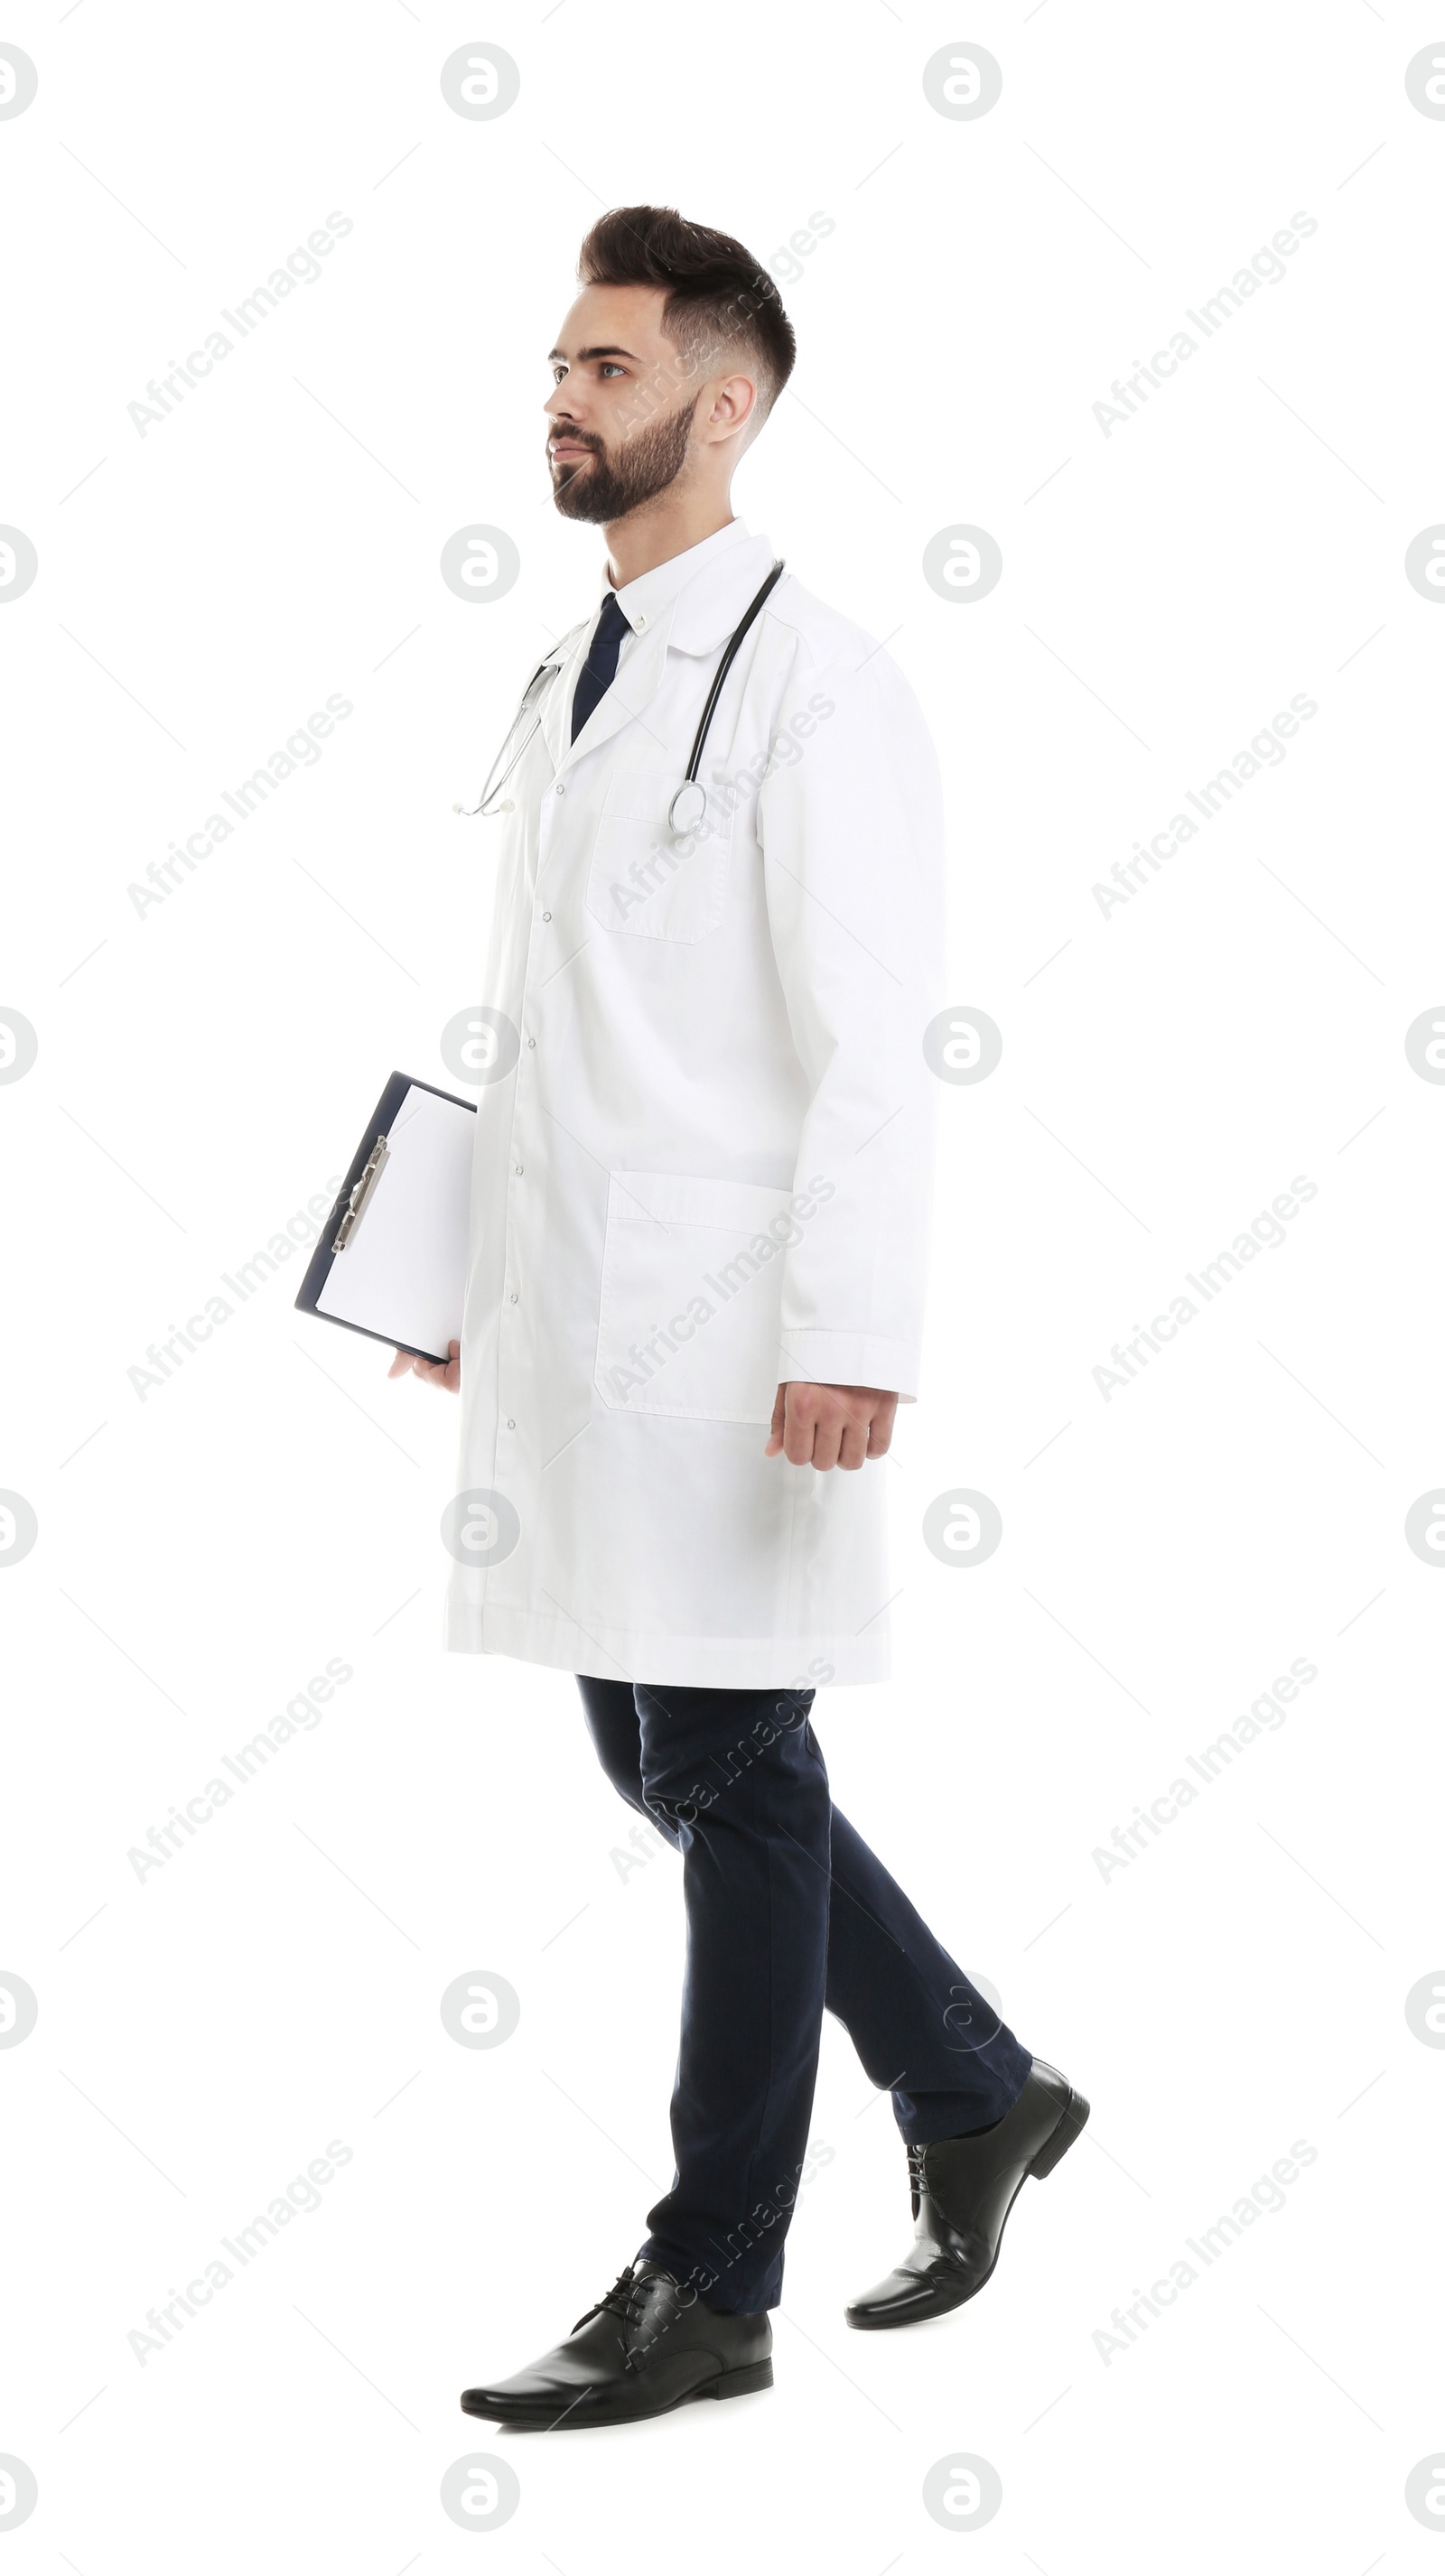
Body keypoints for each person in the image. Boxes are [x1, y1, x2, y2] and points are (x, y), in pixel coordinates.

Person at [390, 205, 1086, 2432]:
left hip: (736, 1328)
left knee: (720, 1756)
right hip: (594, 1312)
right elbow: (564, 1027)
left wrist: (852, 1329)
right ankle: (969, 2084)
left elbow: (875, 1039)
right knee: (665, 1743)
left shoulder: (818, 673)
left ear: (726, 398)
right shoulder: (576, 666)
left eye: (604, 370)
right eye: (558, 371)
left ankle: (712, 2279)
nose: (563, 404)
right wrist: (456, 1274)